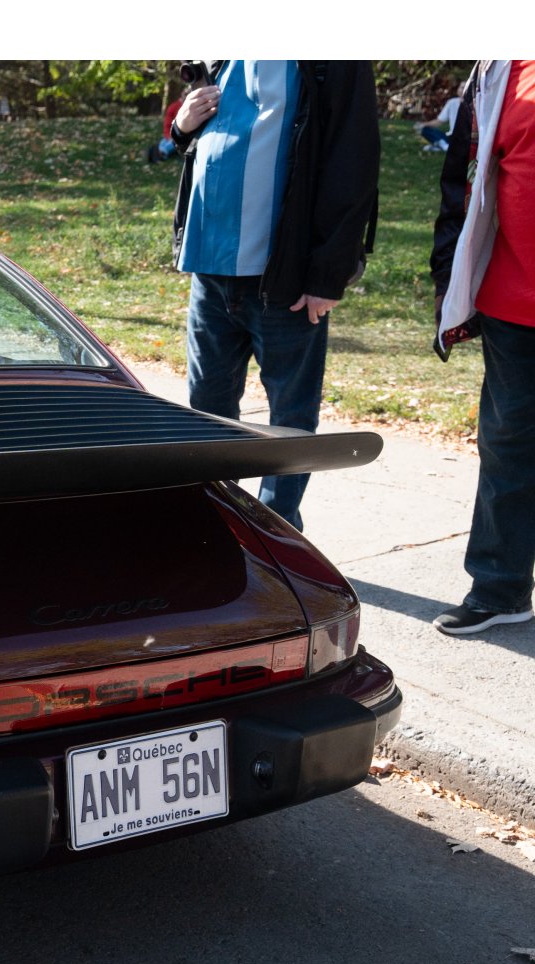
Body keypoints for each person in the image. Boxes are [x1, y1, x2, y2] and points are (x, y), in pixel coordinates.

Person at [170, 60, 379, 532]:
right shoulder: (223, 47)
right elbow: (200, 140)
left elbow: (354, 160)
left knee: (289, 420)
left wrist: (327, 275)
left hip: (284, 278)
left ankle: (276, 533)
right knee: (207, 415)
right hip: (210, 268)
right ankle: (217, 524)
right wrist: (183, 126)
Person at [428, 61, 535, 636]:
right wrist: (452, 279)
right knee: (508, 447)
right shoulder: (504, 64)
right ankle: (500, 587)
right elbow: (466, 178)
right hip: (514, 300)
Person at [146, 94, 185, 163]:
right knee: (165, 143)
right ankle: (160, 152)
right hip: (173, 134)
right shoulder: (174, 107)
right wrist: (168, 135)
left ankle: (162, 153)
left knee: (173, 143)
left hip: (182, 135)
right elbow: (167, 123)